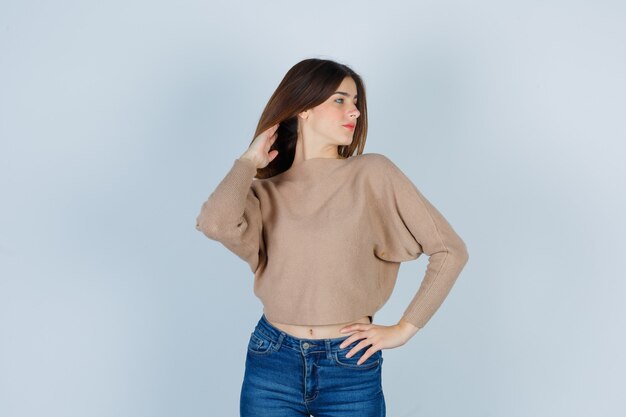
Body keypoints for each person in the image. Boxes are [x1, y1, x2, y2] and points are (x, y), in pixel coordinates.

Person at [195, 58, 469, 417]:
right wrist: (248, 161)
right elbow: (214, 224)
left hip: (349, 364)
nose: (354, 112)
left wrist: (403, 329)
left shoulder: (372, 173)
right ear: (303, 108)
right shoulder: (265, 190)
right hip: (271, 360)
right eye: (340, 100)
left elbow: (450, 250)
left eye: (356, 103)